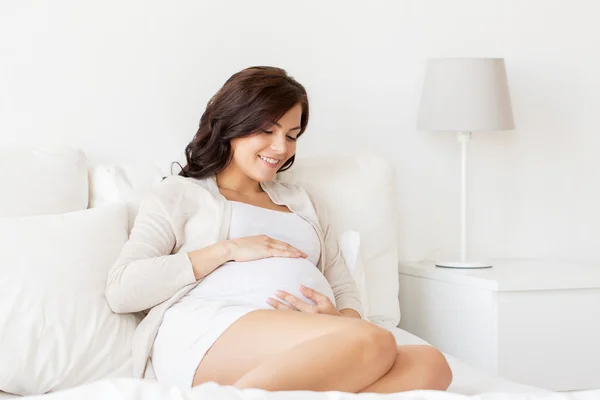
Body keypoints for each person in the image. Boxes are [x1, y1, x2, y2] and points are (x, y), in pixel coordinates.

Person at [105, 66, 452, 393]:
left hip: (311, 339)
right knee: (372, 339)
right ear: (231, 125)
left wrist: (339, 317)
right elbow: (122, 289)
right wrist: (228, 249)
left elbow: (342, 284)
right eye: (267, 131)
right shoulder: (179, 194)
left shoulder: (304, 202)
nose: (281, 148)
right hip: (211, 328)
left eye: (291, 135)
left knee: (432, 364)